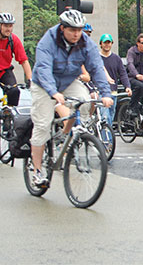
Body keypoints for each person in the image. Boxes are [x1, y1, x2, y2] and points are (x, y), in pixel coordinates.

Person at [30, 10, 113, 186]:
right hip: (44, 84)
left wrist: (105, 93)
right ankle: (37, 172)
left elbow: (96, 68)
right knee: (43, 126)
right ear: (62, 28)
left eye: (80, 30)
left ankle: (65, 135)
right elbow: (43, 68)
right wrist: (53, 92)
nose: (77, 34)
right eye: (72, 30)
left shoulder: (86, 43)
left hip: (68, 80)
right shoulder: (48, 41)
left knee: (84, 100)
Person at [99, 33, 132, 126]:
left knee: (110, 115)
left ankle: (105, 136)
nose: (107, 45)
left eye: (109, 42)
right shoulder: (97, 58)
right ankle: (107, 139)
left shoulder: (116, 58)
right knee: (105, 117)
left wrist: (127, 86)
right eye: (105, 43)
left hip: (113, 91)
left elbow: (123, 73)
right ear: (101, 44)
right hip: (101, 92)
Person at [0, 12, 32, 107]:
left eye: (10, 26)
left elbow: (24, 61)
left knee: (14, 91)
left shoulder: (13, 40)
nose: (8, 29)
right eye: (6, 26)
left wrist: (30, 79)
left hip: (5, 71)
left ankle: (10, 113)